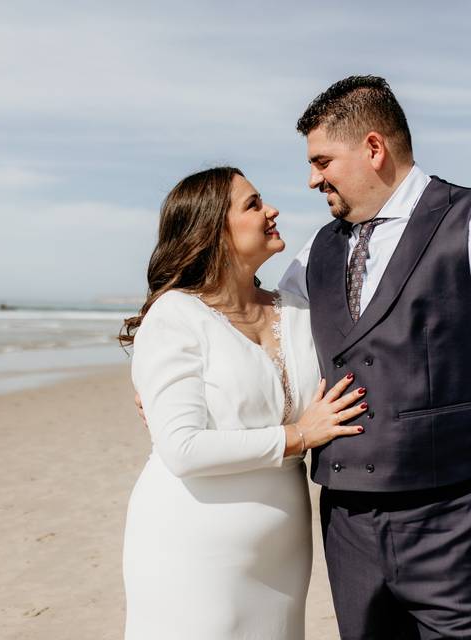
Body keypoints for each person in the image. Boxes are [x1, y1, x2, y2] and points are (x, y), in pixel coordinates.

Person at [277, 76, 471, 638]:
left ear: (374, 148)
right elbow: (269, 331)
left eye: (322, 161)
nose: (312, 179)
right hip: (347, 525)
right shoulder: (318, 249)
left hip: (456, 521)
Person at [120, 166, 368, 639]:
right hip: (190, 545)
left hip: (282, 549)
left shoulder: (297, 310)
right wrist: (300, 436)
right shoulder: (176, 316)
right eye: (253, 204)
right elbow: (183, 450)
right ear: (213, 229)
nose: (271, 209)